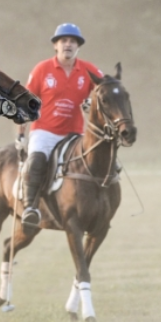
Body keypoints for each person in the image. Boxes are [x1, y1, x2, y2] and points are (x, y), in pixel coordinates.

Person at [18, 23, 103, 228]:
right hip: (44, 130)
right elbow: (26, 102)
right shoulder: (42, 69)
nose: (68, 44)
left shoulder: (88, 69)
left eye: (72, 41)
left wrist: (94, 100)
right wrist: (21, 134)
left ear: (78, 47)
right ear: (55, 45)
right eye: (63, 41)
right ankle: (30, 207)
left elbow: (105, 89)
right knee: (37, 159)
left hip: (74, 133)